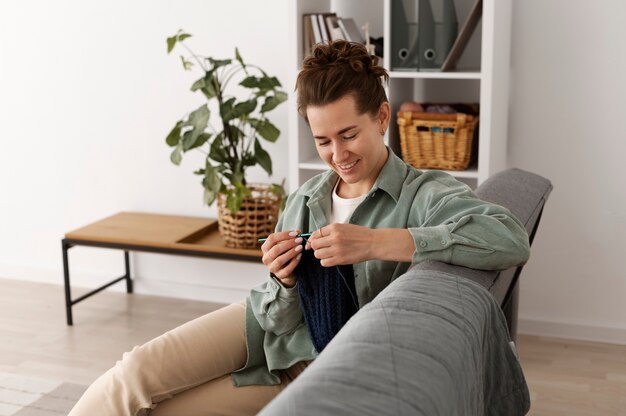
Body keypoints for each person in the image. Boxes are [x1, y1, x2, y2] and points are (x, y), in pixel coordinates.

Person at [69, 40, 530, 416]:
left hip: (309, 364)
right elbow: (274, 316)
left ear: (382, 117)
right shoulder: (306, 199)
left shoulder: (423, 192)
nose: (337, 154)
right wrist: (283, 278)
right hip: (262, 327)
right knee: (134, 374)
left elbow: (508, 237)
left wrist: (378, 243)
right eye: (323, 140)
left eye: (348, 135)